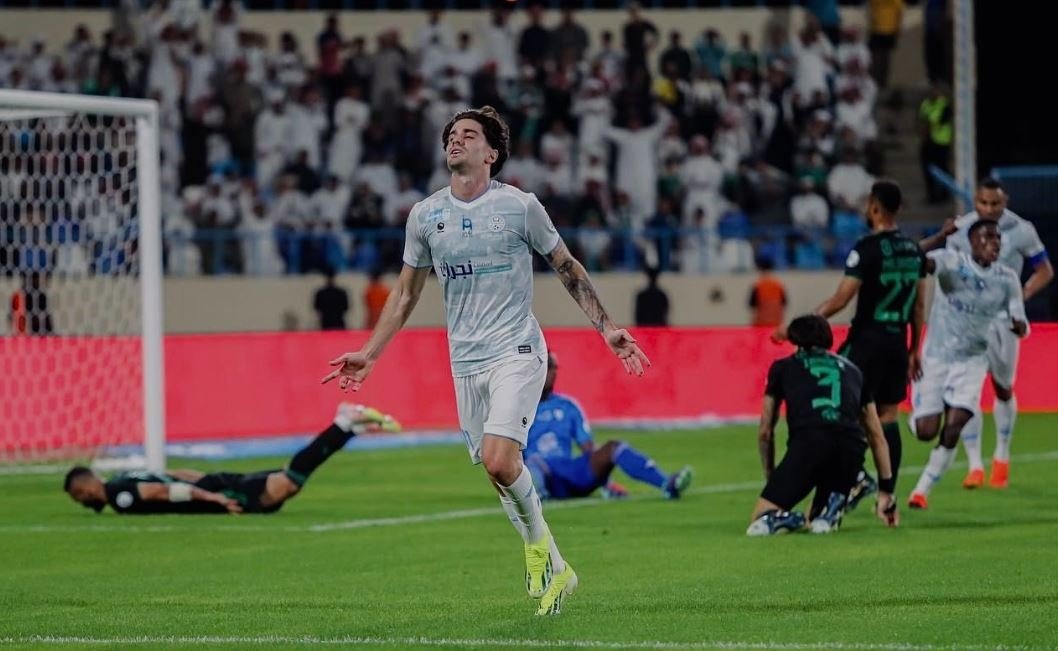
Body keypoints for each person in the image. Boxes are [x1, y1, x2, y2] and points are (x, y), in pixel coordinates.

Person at [322, 106, 650, 616]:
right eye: (451, 135)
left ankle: (539, 548)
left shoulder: (520, 207)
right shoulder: (425, 215)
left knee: (501, 460)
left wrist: (607, 328)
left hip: (516, 350)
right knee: (499, 472)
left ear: (491, 153)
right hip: (465, 363)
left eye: (469, 135)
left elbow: (565, 265)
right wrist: (369, 353)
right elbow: (406, 293)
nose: (456, 141)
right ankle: (558, 569)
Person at [774, 180, 927, 507]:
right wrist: (915, 349)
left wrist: (798, 328)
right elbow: (918, 306)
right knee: (887, 415)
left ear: (874, 207)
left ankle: (855, 478)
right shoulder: (914, 251)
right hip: (897, 344)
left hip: (866, 343)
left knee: (841, 410)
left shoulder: (867, 249)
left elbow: (841, 300)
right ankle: (888, 492)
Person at [919, 178, 1052, 488]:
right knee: (964, 394)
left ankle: (1002, 455)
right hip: (964, 324)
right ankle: (975, 463)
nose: (989, 209)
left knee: (1003, 387)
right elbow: (946, 271)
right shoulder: (961, 230)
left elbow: (1044, 269)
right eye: (983, 203)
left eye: (995, 204)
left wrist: (1020, 297)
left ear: (1005, 201)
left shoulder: (1022, 230)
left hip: (1002, 320)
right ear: (975, 201)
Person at [64, 404, 398, 515]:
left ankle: (343, 422)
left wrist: (212, 496)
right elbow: (170, 474)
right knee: (285, 484)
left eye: (80, 495)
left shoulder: (119, 496)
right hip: (208, 481)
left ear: (88, 484)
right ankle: (348, 430)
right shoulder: (126, 476)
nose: (83, 501)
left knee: (284, 487)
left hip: (210, 491)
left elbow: (164, 492)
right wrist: (204, 480)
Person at [907, 221, 1028, 509]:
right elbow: (914, 261)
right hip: (936, 358)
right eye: (987, 238)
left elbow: (1020, 320)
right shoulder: (951, 263)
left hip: (972, 361)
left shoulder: (1007, 278)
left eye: (997, 239)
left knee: (956, 423)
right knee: (926, 431)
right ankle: (922, 416)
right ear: (972, 242)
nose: (994, 244)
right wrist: (938, 236)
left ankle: (921, 490)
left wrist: (1018, 326)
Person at [750, 315, 897, 536]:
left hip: (809, 445)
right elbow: (877, 435)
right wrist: (887, 491)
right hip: (851, 450)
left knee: (759, 521)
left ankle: (796, 518)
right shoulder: (854, 371)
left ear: (795, 338)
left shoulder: (783, 367)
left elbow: (765, 431)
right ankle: (833, 506)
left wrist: (773, 477)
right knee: (818, 521)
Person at [525, 353, 692, 501]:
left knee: (613, 447)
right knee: (532, 463)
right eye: (547, 367)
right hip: (539, 471)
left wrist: (606, 482)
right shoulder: (521, 407)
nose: (551, 372)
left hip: (571, 471)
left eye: (553, 368)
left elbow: (588, 448)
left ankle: (667, 484)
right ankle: (533, 499)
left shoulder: (568, 406)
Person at [748, 257, 787, 327]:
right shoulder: (778, 285)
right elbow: (784, 304)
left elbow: (752, 307)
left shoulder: (758, 286)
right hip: (776, 324)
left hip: (760, 324)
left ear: (760, 269)